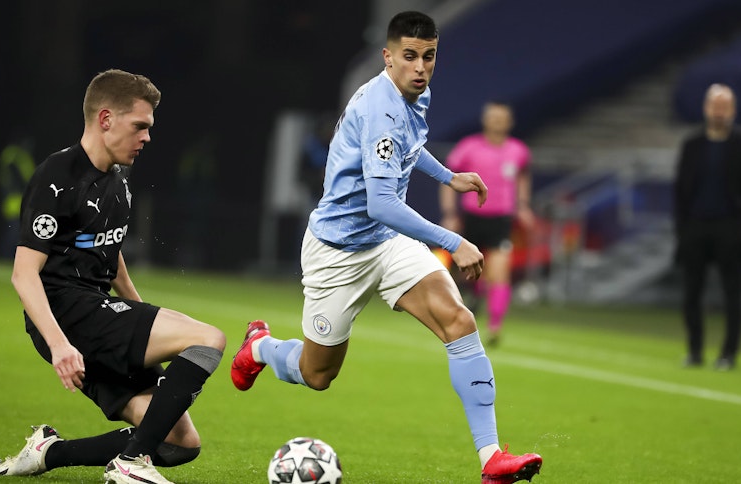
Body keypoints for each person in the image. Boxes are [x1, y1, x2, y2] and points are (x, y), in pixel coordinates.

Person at [231, 11, 542, 484]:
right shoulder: (381, 109)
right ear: (388, 57)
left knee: (459, 321)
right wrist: (453, 240)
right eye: (410, 57)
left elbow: (409, 146)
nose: (421, 67)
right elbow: (380, 203)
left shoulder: (414, 93)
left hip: (385, 244)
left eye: (429, 56)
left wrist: (448, 176)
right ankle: (262, 348)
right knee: (317, 374)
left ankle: (491, 459)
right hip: (337, 251)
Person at [0, 69, 226, 484]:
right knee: (209, 338)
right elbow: (24, 275)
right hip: (68, 312)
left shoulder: (118, 183)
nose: (147, 137)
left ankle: (49, 452)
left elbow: (109, 254)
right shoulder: (57, 176)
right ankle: (130, 465)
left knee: (178, 442)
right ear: (105, 119)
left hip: (97, 314)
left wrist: (137, 310)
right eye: (140, 126)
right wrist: (60, 344)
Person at [673, 83, 741, 371]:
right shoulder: (692, 145)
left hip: (729, 228)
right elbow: (681, 190)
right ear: (706, 108)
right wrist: (682, 229)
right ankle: (695, 350)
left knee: (732, 294)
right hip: (696, 226)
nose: (719, 112)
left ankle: (728, 354)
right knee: (691, 293)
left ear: (733, 111)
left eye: (725, 107)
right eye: (715, 106)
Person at [440, 101, 534, 346]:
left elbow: (523, 176)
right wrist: (450, 212)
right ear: (485, 119)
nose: (497, 121)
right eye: (493, 117)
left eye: (502, 117)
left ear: (509, 122)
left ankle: (494, 328)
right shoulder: (468, 147)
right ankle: (473, 297)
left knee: (500, 272)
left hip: (502, 220)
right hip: (473, 218)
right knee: (471, 273)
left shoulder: (518, 151)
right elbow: (447, 177)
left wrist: (522, 205)